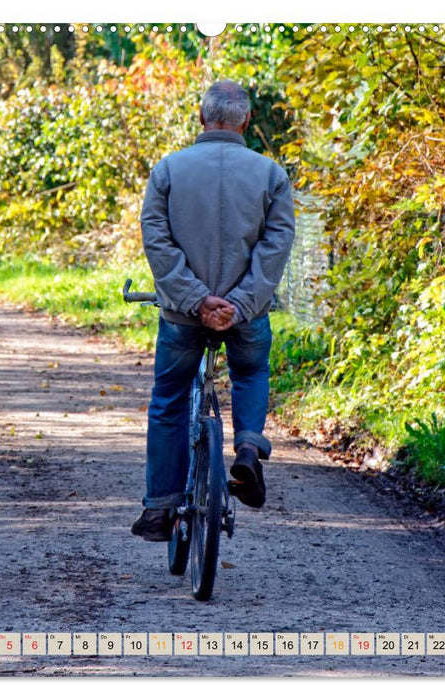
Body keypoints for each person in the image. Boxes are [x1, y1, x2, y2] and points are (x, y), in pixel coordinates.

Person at [131, 79, 296, 542]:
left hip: (185, 316)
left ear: (201, 118)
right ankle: (246, 446)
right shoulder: (270, 174)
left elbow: (156, 240)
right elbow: (277, 244)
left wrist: (196, 299)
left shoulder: (168, 170)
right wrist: (240, 302)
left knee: (169, 400)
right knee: (249, 372)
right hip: (246, 315)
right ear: (246, 120)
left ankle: (161, 509)